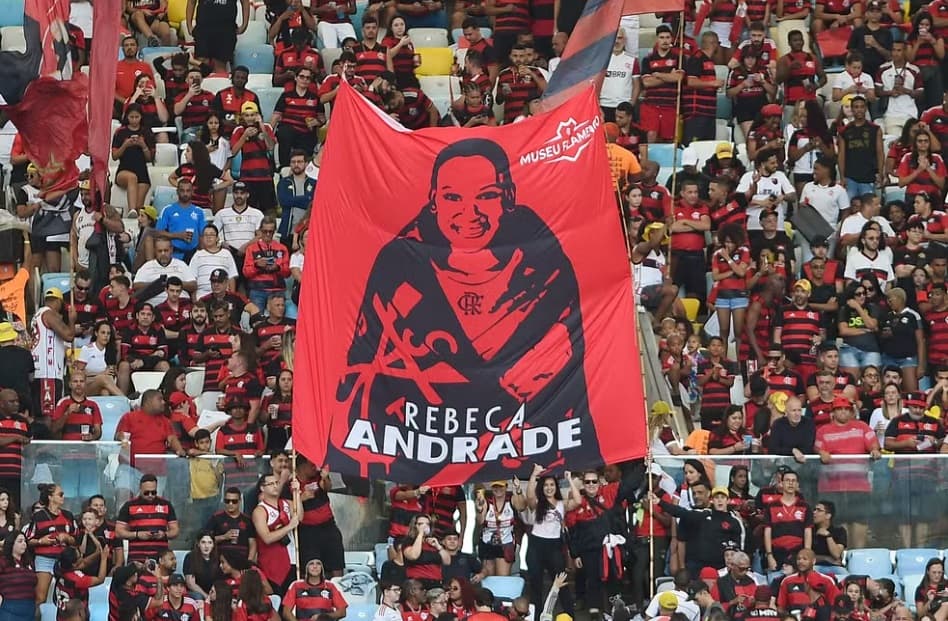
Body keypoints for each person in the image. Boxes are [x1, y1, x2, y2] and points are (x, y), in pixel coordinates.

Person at [522, 464, 573, 615]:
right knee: (536, 586)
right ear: (541, 487)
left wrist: (569, 480)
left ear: (556, 487)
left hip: (554, 546)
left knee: (561, 583)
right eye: (545, 485)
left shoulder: (562, 504)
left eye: (552, 485)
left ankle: (571, 616)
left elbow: (577, 500)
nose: (549, 488)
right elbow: (530, 496)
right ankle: (536, 617)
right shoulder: (538, 503)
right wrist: (534, 474)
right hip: (536, 545)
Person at [31, 288, 74, 438]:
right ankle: (46, 452)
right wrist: (72, 320)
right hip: (48, 373)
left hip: (40, 372)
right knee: (49, 416)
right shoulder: (49, 313)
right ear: (58, 302)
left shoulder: (37, 315)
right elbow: (68, 335)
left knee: (42, 413)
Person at [24, 483, 77, 603]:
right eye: (60, 494)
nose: (63, 497)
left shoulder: (68, 516)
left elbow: (76, 540)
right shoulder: (38, 516)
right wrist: (41, 541)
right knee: (40, 597)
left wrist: (67, 538)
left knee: (68, 597)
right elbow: (28, 539)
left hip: (65, 560)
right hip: (44, 559)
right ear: (50, 497)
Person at [115, 474, 180, 565]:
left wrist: (164, 535)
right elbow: (118, 532)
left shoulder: (166, 505)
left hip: (161, 560)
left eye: (153, 492)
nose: (150, 495)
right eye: (146, 493)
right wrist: (137, 535)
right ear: (140, 489)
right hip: (137, 559)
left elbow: (175, 531)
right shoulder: (129, 505)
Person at [252, 473, 301, 594]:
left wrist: (297, 494)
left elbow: (299, 517)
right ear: (262, 488)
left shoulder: (287, 503)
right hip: (272, 562)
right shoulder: (260, 511)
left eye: (277, 483)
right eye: (271, 484)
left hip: (291, 559)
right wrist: (289, 526)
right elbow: (267, 538)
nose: (275, 486)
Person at [230, 102, 277, 214]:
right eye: (246, 115)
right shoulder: (239, 130)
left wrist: (261, 126)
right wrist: (245, 136)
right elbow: (233, 151)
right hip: (247, 178)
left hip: (265, 176)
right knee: (248, 212)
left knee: (268, 212)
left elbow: (270, 146)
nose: (250, 118)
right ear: (242, 117)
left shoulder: (266, 127)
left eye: (252, 115)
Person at [111, 104, 155, 218]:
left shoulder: (147, 132)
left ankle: (134, 221)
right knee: (132, 178)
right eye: (132, 117)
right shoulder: (120, 132)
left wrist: (143, 145)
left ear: (141, 117)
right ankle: (131, 210)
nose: (134, 120)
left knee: (139, 207)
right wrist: (125, 145)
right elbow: (114, 156)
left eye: (137, 117)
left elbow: (150, 158)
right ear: (127, 117)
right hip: (124, 170)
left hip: (142, 172)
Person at [156, 179, 206, 261]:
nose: (185, 194)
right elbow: (158, 233)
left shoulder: (199, 211)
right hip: (174, 255)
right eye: (182, 191)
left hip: (194, 255)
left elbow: (203, 235)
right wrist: (178, 235)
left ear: (192, 191)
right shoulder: (168, 210)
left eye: (188, 191)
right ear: (177, 191)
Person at [283, 558, 347, 621]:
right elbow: (286, 613)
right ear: (306, 568)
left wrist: (323, 617)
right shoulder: (296, 585)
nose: (315, 566)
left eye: (318, 564)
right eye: (311, 564)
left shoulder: (330, 586)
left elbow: (342, 612)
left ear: (322, 568)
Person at [276, 150, 316, 244]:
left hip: (307, 232)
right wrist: (306, 198)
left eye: (299, 162)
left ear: (306, 164)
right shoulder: (283, 183)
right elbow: (284, 201)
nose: (296, 164)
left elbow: (313, 204)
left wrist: (293, 200)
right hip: (287, 231)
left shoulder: (314, 183)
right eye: (293, 162)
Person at [402, 513, 451, 589]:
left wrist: (438, 546)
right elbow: (413, 555)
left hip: (435, 584)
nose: (425, 526)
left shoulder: (432, 542)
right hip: (417, 584)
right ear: (415, 526)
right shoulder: (409, 541)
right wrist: (420, 533)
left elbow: (447, 561)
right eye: (421, 524)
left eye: (427, 524)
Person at [0, 532, 36, 620]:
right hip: (10, 607)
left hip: (29, 607)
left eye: (25, 541)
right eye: (20, 541)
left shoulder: (29, 563)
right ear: (12, 544)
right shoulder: (3, 562)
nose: (24, 544)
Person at [811, 500, 848, 577]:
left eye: (819, 510)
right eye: (814, 509)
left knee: (847, 577)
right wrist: (826, 558)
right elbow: (807, 557)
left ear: (828, 515)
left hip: (835, 568)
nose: (814, 512)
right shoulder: (810, 531)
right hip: (815, 567)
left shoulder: (839, 531)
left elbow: (836, 554)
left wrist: (828, 535)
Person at [183, 532, 220, 601]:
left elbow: (219, 581)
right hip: (196, 592)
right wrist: (206, 596)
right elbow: (190, 584)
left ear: (213, 545)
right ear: (198, 544)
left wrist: (214, 593)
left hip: (212, 591)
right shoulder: (190, 557)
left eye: (210, 543)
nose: (206, 546)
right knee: (198, 596)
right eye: (203, 542)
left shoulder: (217, 558)